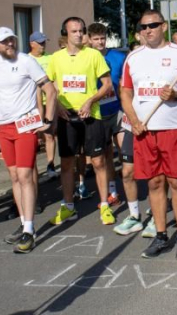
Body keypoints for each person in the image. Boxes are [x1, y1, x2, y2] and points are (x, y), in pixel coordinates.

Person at [121, 9, 177, 260]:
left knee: (176, 182)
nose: (148, 30)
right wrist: (133, 120)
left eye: (153, 25)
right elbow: (125, 92)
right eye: (143, 26)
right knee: (154, 183)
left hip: (172, 128)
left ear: (163, 26)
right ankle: (161, 235)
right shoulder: (133, 57)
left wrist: (176, 95)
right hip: (144, 130)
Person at [0, 28, 57, 253]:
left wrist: (47, 118)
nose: (9, 44)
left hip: (25, 125)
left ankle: (29, 229)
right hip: (5, 127)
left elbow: (50, 89)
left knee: (26, 175)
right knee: (15, 176)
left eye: (11, 40)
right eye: (4, 42)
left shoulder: (27, 61)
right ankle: (24, 222)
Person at [46, 17, 115, 227]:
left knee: (98, 161)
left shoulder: (93, 55)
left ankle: (104, 205)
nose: (78, 34)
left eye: (81, 30)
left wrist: (90, 101)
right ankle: (68, 206)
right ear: (65, 33)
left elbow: (107, 84)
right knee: (67, 163)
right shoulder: (56, 58)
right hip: (67, 117)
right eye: (74, 31)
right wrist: (56, 106)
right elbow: (49, 86)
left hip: (91, 115)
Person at [88, 23, 127, 210]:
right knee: (106, 156)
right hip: (98, 114)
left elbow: (126, 83)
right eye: (96, 39)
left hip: (118, 110)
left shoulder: (118, 57)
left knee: (125, 153)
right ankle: (113, 192)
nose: (100, 42)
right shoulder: (86, 58)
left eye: (102, 38)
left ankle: (132, 186)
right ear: (89, 40)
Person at [28, 31, 56, 178]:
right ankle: (32, 168)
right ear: (32, 44)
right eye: (40, 43)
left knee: (49, 135)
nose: (43, 45)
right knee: (34, 138)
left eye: (44, 42)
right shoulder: (26, 59)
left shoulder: (50, 58)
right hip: (32, 105)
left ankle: (51, 165)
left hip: (49, 102)